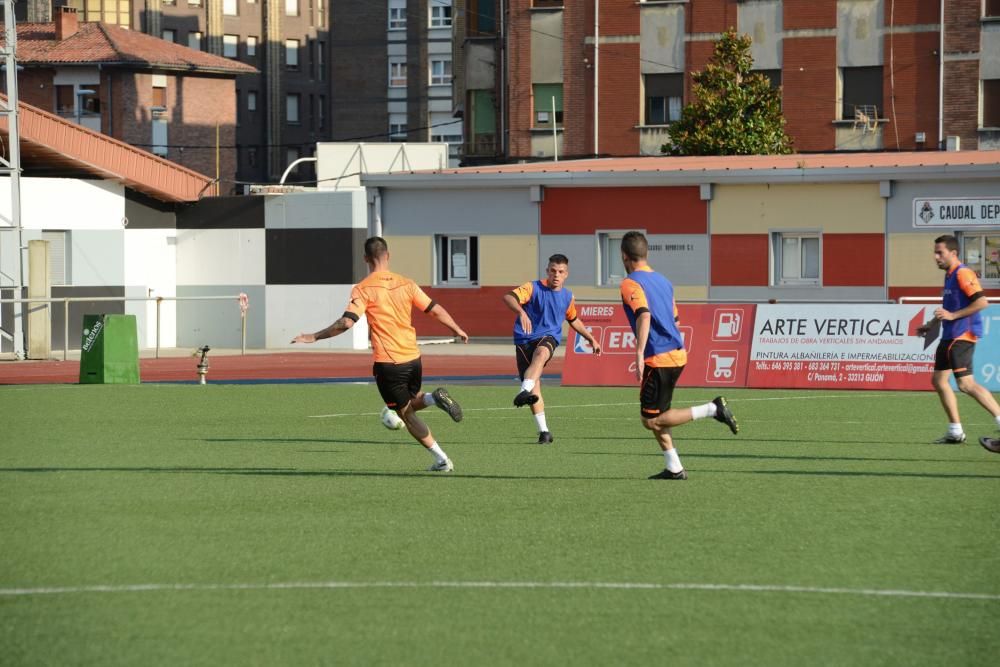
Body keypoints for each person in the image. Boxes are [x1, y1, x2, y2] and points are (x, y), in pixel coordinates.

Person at [292, 236, 468, 472]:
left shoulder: (363, 288)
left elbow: (346, 323)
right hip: (414, 358)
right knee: (410, 403)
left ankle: (442, 460)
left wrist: (314, 336)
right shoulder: (407, 283)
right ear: (388, 255)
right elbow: (434, 310)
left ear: (366, 258)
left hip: (389, 362)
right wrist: (456, 329)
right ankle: (433, 398)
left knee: (405, 414)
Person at [618, 231, 739, 480]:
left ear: (623, 256)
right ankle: (674, 468)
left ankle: (712, 409)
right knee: (657, 416)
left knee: (650, 420)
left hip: (659, 357)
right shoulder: (663, 280)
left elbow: (643, 314)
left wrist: (639, 353)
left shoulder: (630, 282)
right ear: (646, 253)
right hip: (676, 352)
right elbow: (675, 318)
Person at [504, 254, 602, 444]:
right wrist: (520, 311)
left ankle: (523, 388)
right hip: (523, 339)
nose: (556, 275)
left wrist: (591, 338)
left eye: (561, 272)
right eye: (553, 271)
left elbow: (573, 319)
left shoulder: (567, 296)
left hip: (548, 337)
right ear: (547, 271)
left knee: (541, 354)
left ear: (566, 274)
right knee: (535, 387)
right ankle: (544, 432)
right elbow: (508, 297)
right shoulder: (532, 287)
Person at [915, 234, 1000, 444]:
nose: (936, 257)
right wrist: (931, 325)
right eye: (934, 253)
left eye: (940, 253)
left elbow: (982, 302)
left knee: (966, 384)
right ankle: (955, 431)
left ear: (953, 253)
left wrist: (952, 316)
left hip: (962, 336)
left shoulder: (963, 273)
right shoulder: (949, 275)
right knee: (938, 380)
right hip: (949, 335)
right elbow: (948, 309)